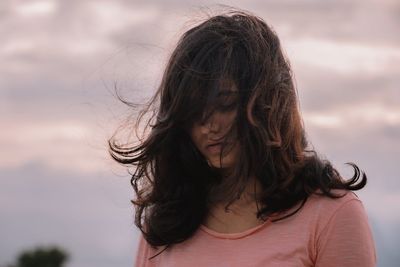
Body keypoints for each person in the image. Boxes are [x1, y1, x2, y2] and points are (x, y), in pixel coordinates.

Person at [108, 9, 376, 267]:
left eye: (224, 103)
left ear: (270, 103)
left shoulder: (331, 215)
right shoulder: (167, 224)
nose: (207, 126)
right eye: (192, 110)